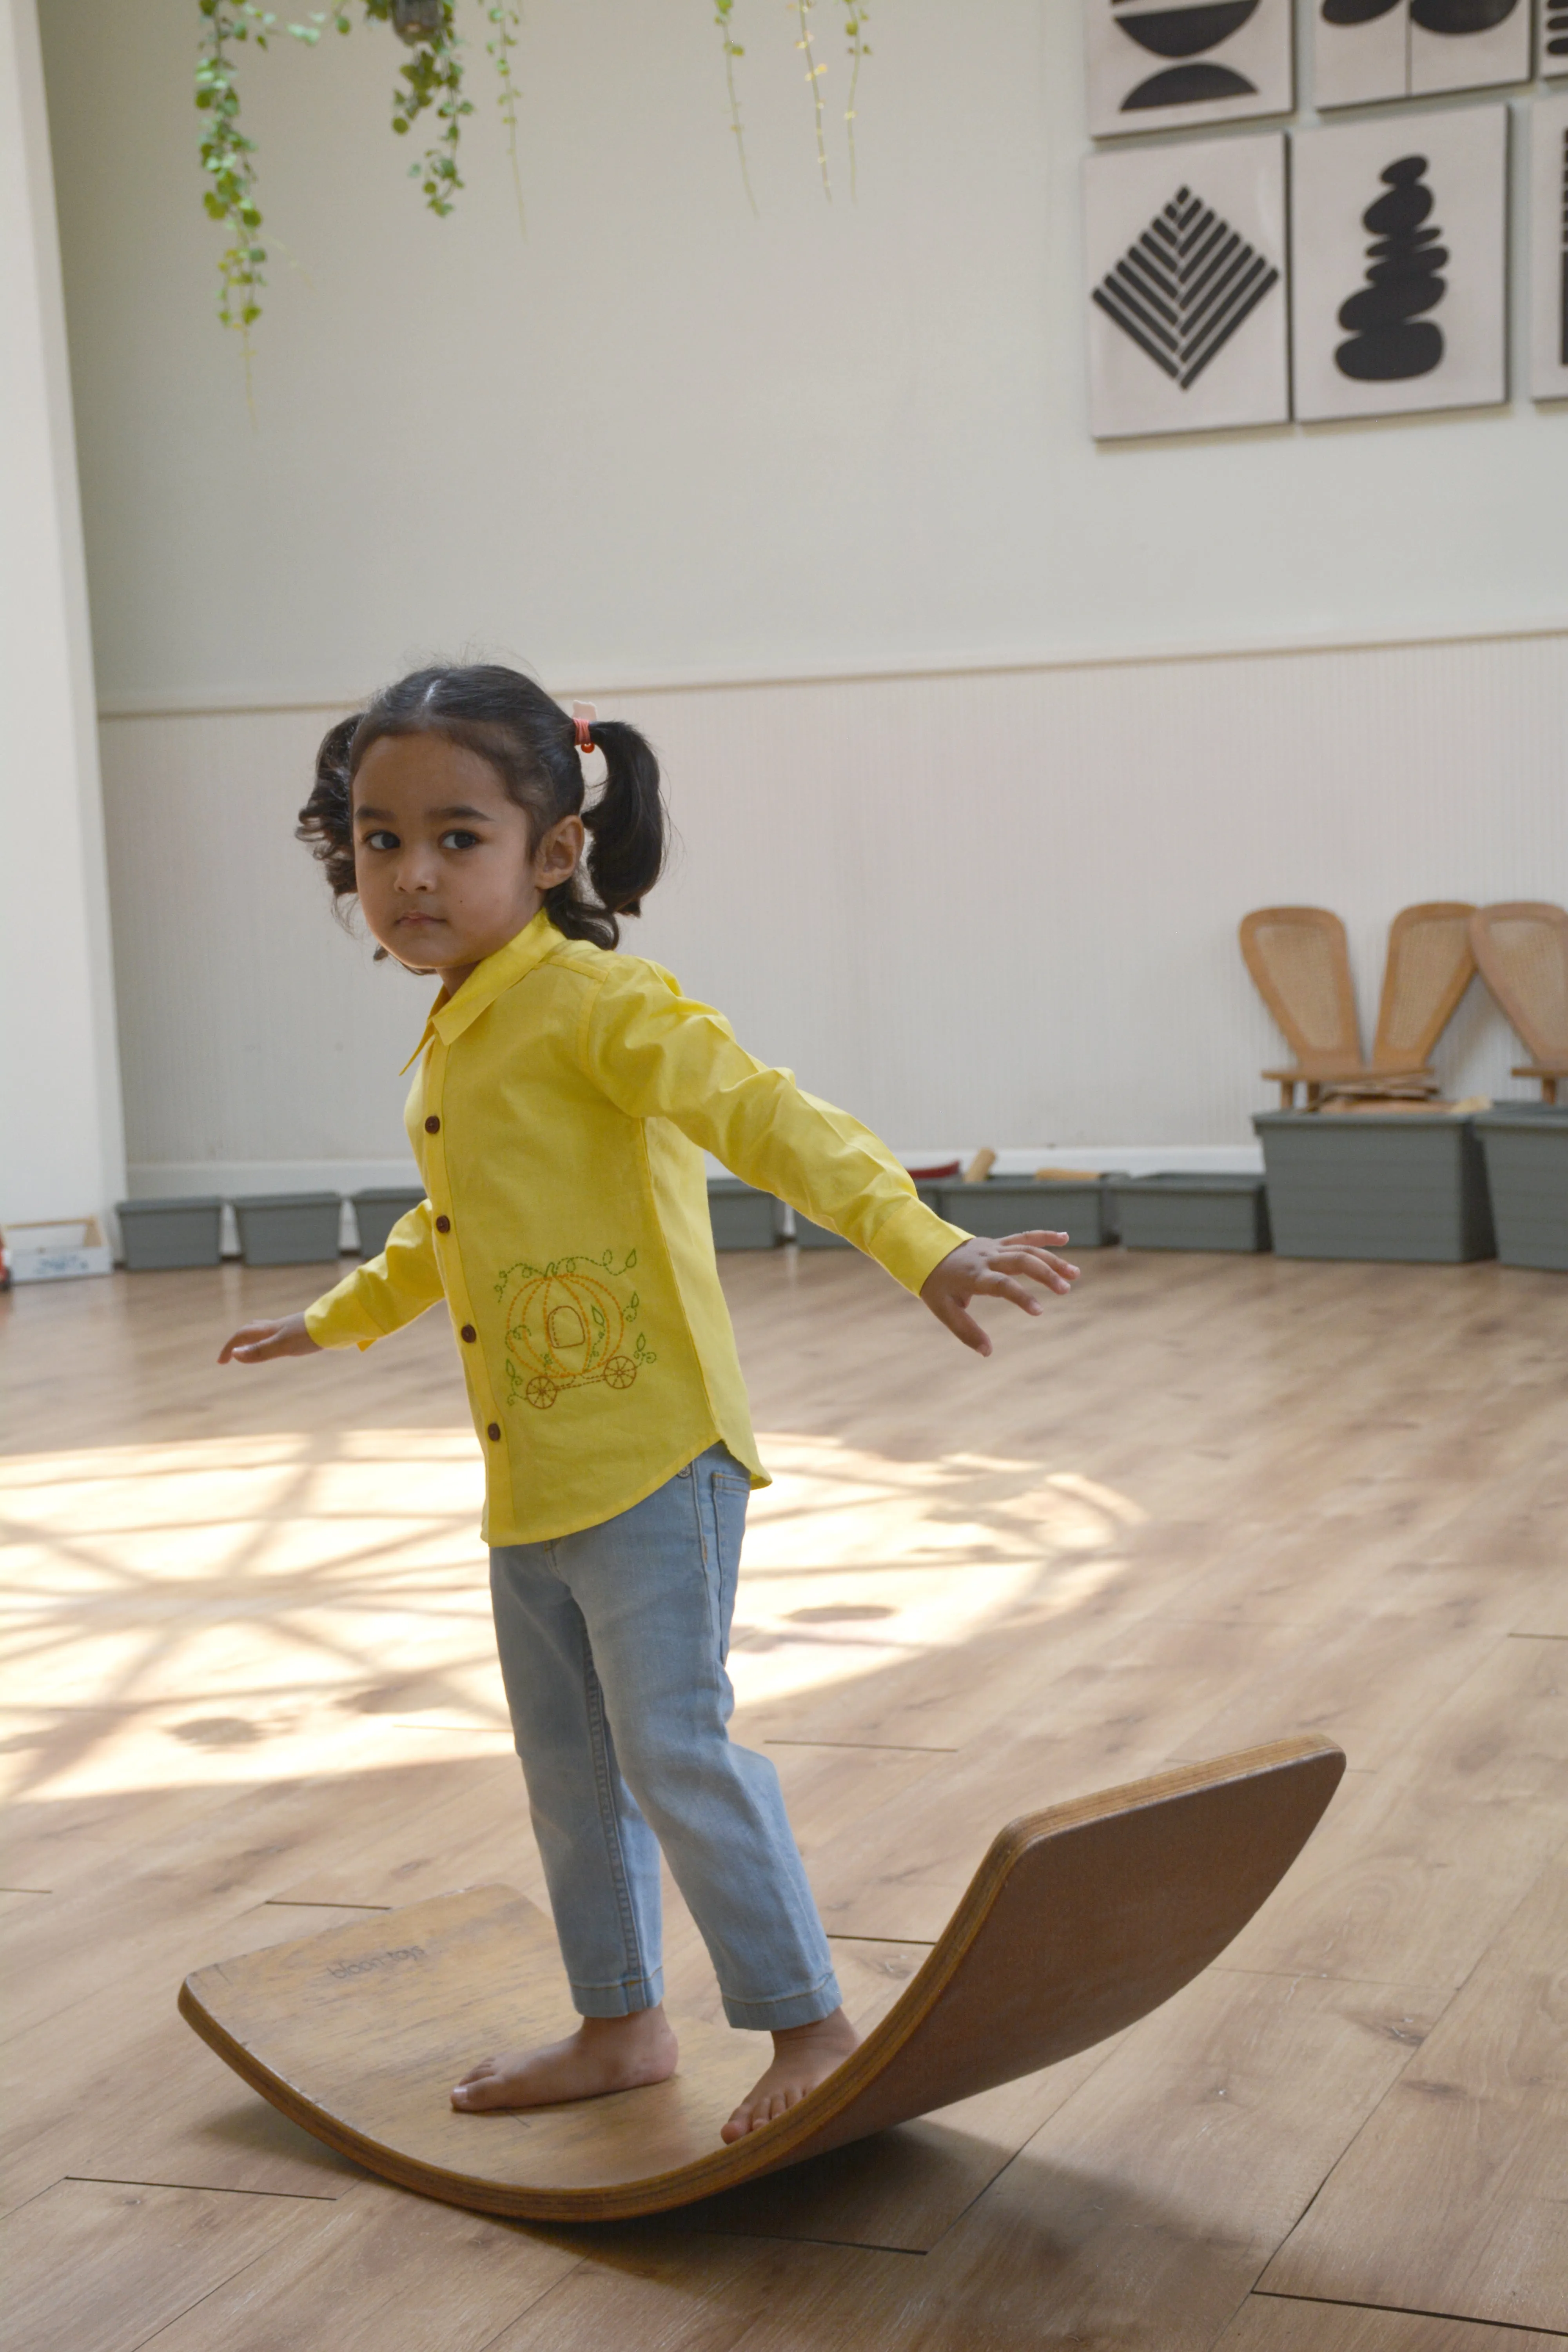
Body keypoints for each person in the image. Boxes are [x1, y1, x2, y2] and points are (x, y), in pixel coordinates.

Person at [218, 664, 1080, 2141]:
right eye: (378, 838)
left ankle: (808, 2024)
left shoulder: (597, 1002)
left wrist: (922, 1242)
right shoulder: (465, 1024)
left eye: (458, 836)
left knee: (675, 1750)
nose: (411, 872)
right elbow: (453, 1223)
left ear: (555, 851)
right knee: (566, 1772)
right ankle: (621, 2022)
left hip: (653, 1460)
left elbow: (766, 1115)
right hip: (533, 1478)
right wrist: (334, 1320)